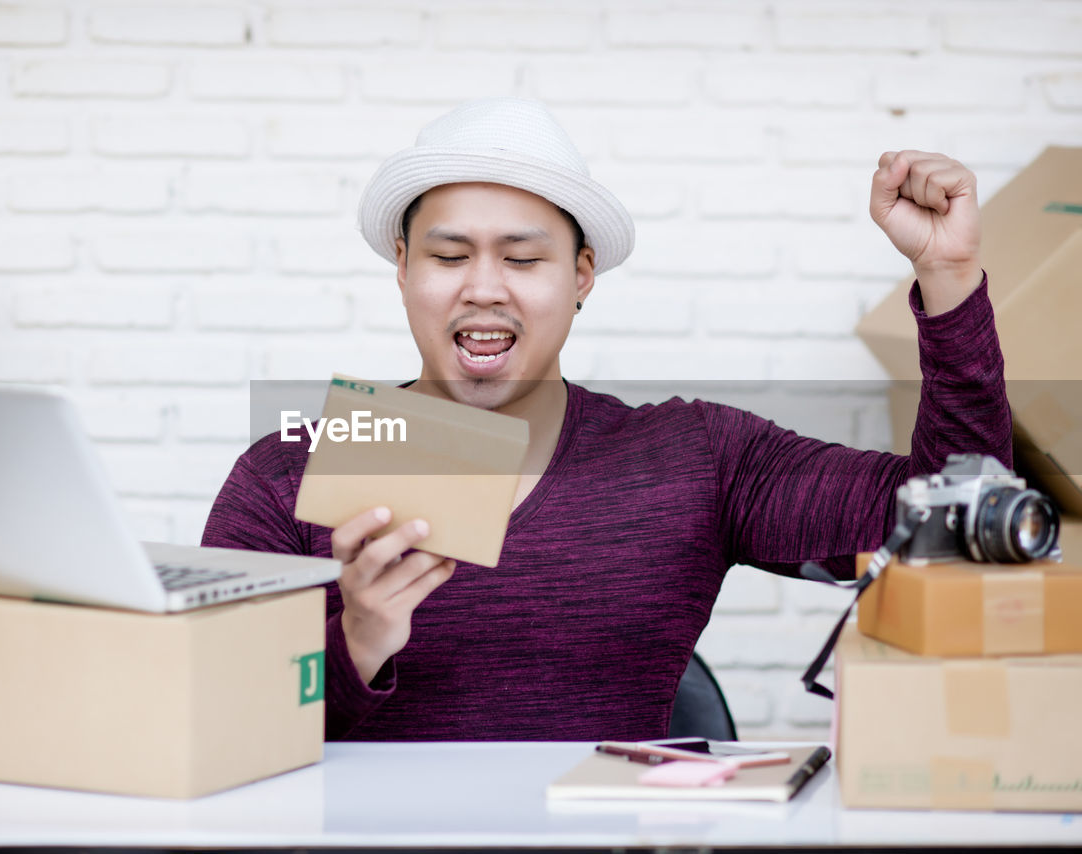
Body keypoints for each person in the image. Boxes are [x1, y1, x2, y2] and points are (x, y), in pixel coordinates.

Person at [202, 98, 1010, 741]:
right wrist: (359, 639)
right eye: (449, 257)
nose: (484, 287)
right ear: (404, 271)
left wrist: (949, 279)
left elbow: (954, 518)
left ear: (582, 274)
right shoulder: (288, 471)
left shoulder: (695, 456)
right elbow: (213, 730)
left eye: (523, 259)